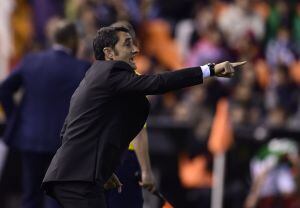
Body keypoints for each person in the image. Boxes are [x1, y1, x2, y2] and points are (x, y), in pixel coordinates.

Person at [42, 24, 246, 208]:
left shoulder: (97, 77)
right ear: (109, 53)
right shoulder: (111, 73)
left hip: (78, 176)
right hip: (78, 180)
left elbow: (68, 129)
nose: (136, 50)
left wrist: (101, 167)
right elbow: (158, 83)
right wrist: (209, 70)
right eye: (127, 44)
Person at [0, 19, 90, 208]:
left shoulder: (31, 60)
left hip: (30, 138)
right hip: (63, 142)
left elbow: (4, 89)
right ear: (73, 40)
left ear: (52, 38)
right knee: (54, 197)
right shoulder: (81, 68)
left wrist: (15, 117)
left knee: (30, 195)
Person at [104, 21, 155, 208]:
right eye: (128, 44)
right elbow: (138, 132)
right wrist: (147, 171)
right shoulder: (132, 79)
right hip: (124, 158)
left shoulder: (94, 75)